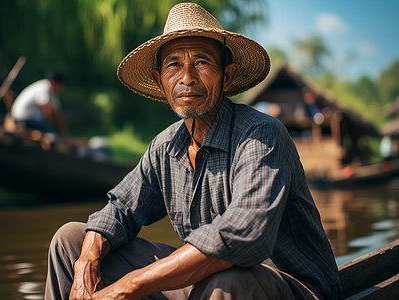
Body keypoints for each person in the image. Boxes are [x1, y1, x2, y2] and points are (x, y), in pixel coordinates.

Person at [45, 3, 342, 299]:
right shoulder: (164, 147)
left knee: (232, 279)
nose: (187, 77)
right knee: (70, 240)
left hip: (292, 288)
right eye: (174, 65)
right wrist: (87, 260)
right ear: (160, 81)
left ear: (226, 77)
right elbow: (120, 208)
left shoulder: (261, 134)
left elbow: (246, 236)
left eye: (201, 62)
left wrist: (129, 285)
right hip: (208, 282)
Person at [11, 70, 68, 136]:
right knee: (48, 130)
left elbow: (57, 112)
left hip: (28, 117)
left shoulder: (51, 91)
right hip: (23, 118)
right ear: (55, 84)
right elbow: (48, 112)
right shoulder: (44, 89)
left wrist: (63, 131)